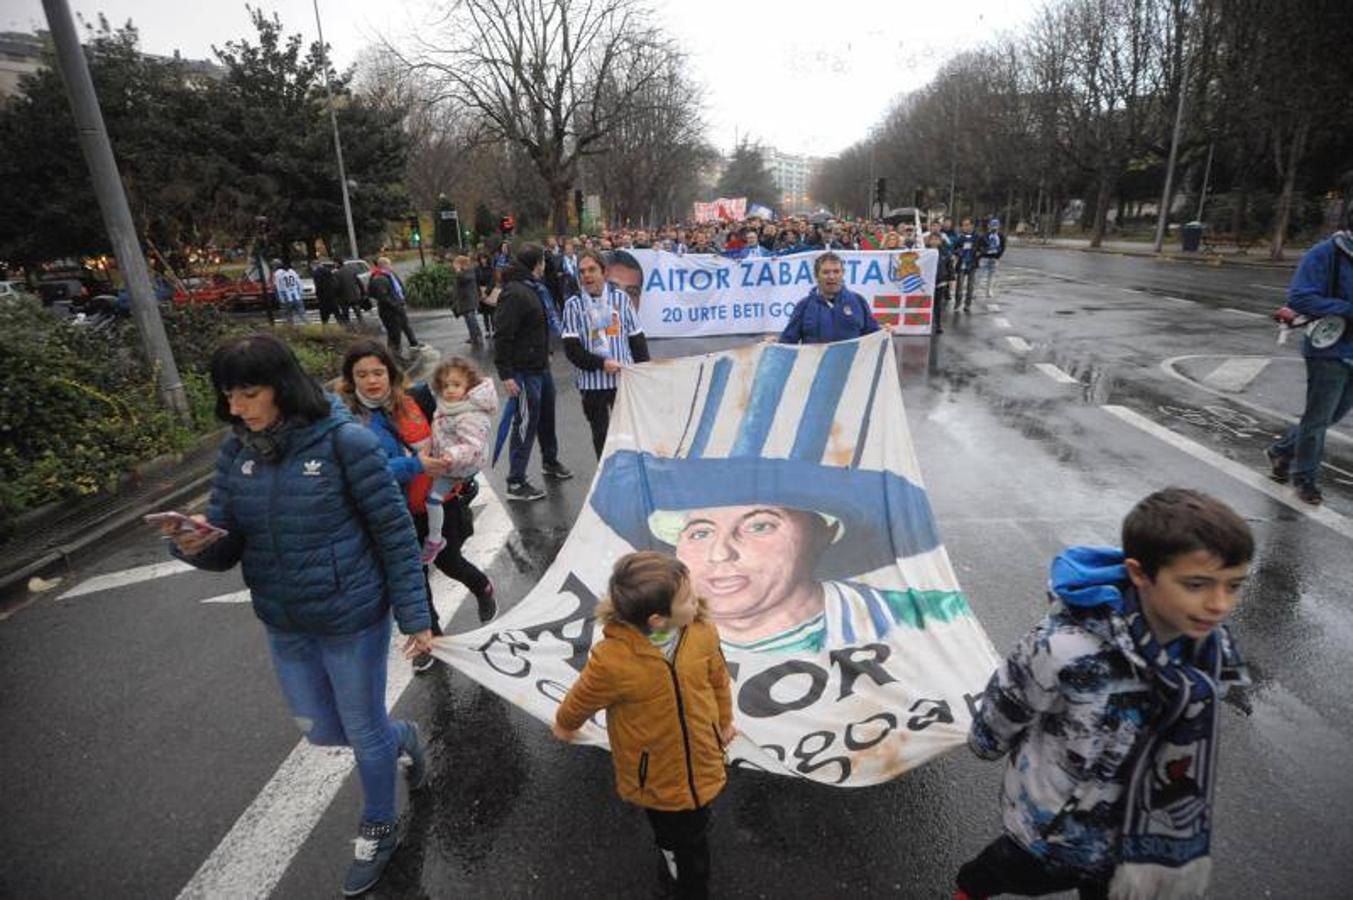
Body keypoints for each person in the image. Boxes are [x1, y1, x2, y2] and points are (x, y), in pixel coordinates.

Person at [162, 334, 429, 895]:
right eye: (228, 395)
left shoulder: (346, 443)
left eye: (248, 394)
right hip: (284, 620)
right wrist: (193, 544)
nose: (236, 408)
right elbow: (226, 545)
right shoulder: (236, 452)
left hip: (351, 615)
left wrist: (416, 617)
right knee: (322, 729)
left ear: (281, 389)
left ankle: (379, 826)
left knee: (360, 728)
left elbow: (395, 534)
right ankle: (402, 736)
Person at [956, 488, 1253, 900]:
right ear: (1139, 573)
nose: (1220, 604)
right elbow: (1010, 700)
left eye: (1234, 585)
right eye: (1197, 584)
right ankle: (970, 890)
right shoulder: (1066, 647)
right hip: (1055, 825)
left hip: (1139, 831)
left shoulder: (1212, 649)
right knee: (1010, 871)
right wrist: (986, 741)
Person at [553, 552, 735, 899]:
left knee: (693, 829)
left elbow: (718, 680)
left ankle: (680, 864)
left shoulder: (702, 632)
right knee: (674, 830)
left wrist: (724, 722)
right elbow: (582, 697)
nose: (697, 601)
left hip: (702, 753)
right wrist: (565, 725)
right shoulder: (613, 661)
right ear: (657, 619)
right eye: (687, 599)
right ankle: (680, 872)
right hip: (656, 770)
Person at [338, 341, 497, 649]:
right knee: (414, 575)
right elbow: (360, 471)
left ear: (391, 374)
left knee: (450, 562)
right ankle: (432, 641)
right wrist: (414, 465)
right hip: (393, 511)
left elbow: (467, 420)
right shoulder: (349, 422)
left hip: (439, 500)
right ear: (351, 379)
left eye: (378, 372)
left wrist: (462, 468)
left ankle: (482, 587)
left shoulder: (420, 398)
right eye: (362, 375)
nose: (372, 381)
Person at [1265, 213, 1353, 505]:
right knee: (1317, 419)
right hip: (1329, 347)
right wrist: (1346, 308)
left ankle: (1281, 451)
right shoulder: (1326, 253)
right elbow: (1300, 297)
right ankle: (1305, 480)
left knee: (1330, 416)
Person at [494, 244, 573, 501]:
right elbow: (503, 335)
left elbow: (537, 326)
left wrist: (547, 348)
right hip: (523, 370)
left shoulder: (533, 288)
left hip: (540, 365)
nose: (545, 266)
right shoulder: (516, 293)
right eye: (542, 262)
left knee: (546, 417)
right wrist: (506, 374)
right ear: (535, 264)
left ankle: (549, 462)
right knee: (525, 423)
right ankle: (515, 482)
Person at [561, 249, 651, 458]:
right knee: (601, 435)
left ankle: (630, 473)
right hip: (593, 385)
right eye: (582, 272)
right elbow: (572, 350)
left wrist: (645, 374)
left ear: (604, 272)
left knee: (629, 434)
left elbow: (636, 339)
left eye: (592, 270)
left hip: (623, 380)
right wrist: (601, 364)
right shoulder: (573, 306)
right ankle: (608, 477)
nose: (587, 276)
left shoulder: (621, 300)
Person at [420, 357, 496, 565]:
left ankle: (436, 538)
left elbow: (473, 446)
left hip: (460, 465)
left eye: (456, 385)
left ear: (469, 387)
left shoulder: (468, 414)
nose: (450, 390)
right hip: (450, 462)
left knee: (434, 499)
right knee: (434, 497)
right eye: (445, 386)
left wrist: (452, 454)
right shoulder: (449, 406)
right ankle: (437, 537)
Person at [774, 252, 883, 344]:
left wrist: (884, 333)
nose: (831, 277)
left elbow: (873, 337)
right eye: (826, 272)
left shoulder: (858, 301)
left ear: (843, 273)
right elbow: (788, 342)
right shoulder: (804, 306)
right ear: (816, 275)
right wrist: (775, 344)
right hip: (814, 369)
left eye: (836, 271)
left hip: (852, 368)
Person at [369, 257, 420, 356]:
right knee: (394, 333)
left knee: (404, 326)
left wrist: (402, 297)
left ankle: (411, 344)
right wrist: (395, 305)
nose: (391, 267)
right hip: (389, 311)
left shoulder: (389, 275)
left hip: (398, 306)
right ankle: (393, 355)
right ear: (384, 266)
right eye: (389, 265)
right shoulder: (379, 278)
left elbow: (399, 286)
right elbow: (383, 297)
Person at [451, 255, 484, 346]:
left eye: (456, 263)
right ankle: (475, 334)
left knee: (470, 318)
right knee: (468, 318)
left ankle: (475, 336)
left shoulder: (469, 271)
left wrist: (458, 270)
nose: (454, 266)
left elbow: (462, 279)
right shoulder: (463, 271)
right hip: (464, 299)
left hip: (469, 298)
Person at [954, 218, 980, 311]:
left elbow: (983, 247)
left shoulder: (977, 237)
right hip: (962, 263)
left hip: (972, 264)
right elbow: (955, 248)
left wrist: (978, 253)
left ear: (972, 226)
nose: (964, 227)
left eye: (966, 225)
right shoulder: (960, 237)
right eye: (963, 225)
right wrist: (959, 252)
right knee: (959, 285)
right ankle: (957, 303)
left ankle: (967, 304)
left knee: (970, 285)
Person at [981, 218, 1007, 298]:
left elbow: (1003, 246)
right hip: (985, 258)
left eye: (996, 226)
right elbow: (981, 245)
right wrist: (983, 253)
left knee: (992, 276)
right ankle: (975, 290)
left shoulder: (1001, 236)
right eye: (992, 225)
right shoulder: (985, 235)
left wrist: (998, 255)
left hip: (995, 258)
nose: (994, 227)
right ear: (989, 226)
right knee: (980, 275)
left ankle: (989, 291)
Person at [336, 260, 367, 325]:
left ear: (338, 264)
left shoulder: (337, 274)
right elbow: (359, 283)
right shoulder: (351, 271)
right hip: (354, 294)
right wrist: (363, 292)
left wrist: (336, 297)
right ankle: (362, 324)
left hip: (344, 297)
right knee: (357, 311)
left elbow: (336, 286)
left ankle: (348, 327)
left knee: (346, 313)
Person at [475, 251, 497, 338]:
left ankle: (494, 329)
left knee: (492, 313)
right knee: (484, 313)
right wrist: (480, 293)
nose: (483, 260)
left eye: (484, 258)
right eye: (481, 259)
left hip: (490, 292)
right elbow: (475, 282)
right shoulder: (477, 269)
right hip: (481, 291)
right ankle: (487, 330)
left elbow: (493, 281)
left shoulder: (491, 269)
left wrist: (487, 292)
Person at [313, 260, 342, 326]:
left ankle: (325, 330)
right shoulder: (329, 272)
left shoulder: (316, 274)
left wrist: (317, 295)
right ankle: (343, 327)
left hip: (323, 298)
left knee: (324, 317)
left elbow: (318, 286)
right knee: (337, 314)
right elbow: (335, 283)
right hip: (332, 296)